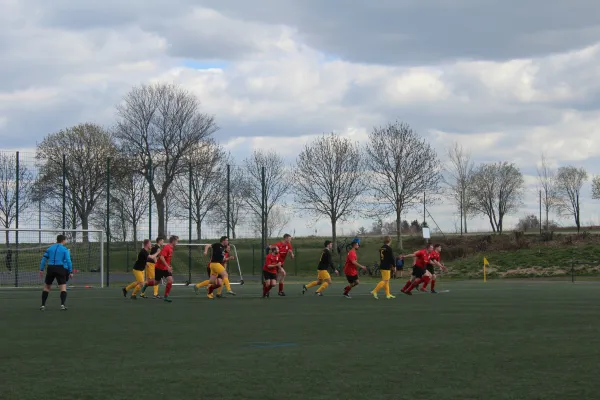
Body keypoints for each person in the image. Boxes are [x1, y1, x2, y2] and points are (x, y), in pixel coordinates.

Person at [39, 234, 73, 311]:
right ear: (63, 240)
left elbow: (44, 259)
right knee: (63, 288)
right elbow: (68, 261)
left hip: (50, 268)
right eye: (65, 240)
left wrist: (41, 269)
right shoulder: (65, 250)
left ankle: (43, 305)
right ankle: (62, 305)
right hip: (60, 268)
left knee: (47, 287)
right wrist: (70, 271)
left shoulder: (50, 248)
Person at [141, 235, 178, 302]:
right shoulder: (167, 247)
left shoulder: (171, 248)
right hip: (159, 268)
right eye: (177, 241)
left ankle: (165, 297)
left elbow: (167, 259)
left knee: (170, 281)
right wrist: (167, 266)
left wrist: (169, 266)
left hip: (165, 268)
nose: (177, 242)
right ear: (173, 241)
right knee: (156, 283)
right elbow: (161, 257)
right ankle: (146, 284)